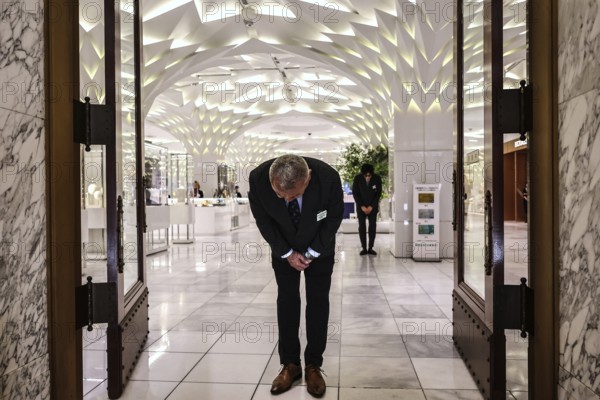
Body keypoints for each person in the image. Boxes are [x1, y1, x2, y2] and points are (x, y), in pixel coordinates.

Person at [249, 154, 343, 398]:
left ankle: (313, 365)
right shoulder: (258, 179)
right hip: (284, 249)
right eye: (281, 195)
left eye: (294, 196)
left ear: (308, 178)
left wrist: (312, 252)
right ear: (272, 181)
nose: (287, 199)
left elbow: (333, 219)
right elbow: (264, 222)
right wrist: (288, 253)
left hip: (320, 248)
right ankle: (290, 365)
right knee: (287, 301)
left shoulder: (328, 178)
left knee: (318, 302)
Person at [352, 163, 382, 255]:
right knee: (362, 227)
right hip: (361, 207)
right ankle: (364, 248)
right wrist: (362, 206)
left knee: (372, 227)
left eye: (369, 175)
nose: (368, 177)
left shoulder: (377, 178)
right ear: (363, 174)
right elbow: (355, 193)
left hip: (372, 207)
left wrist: (371, 206)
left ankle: (370, 248)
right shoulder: (358, 178)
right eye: (366, 175)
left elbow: (378, 193)